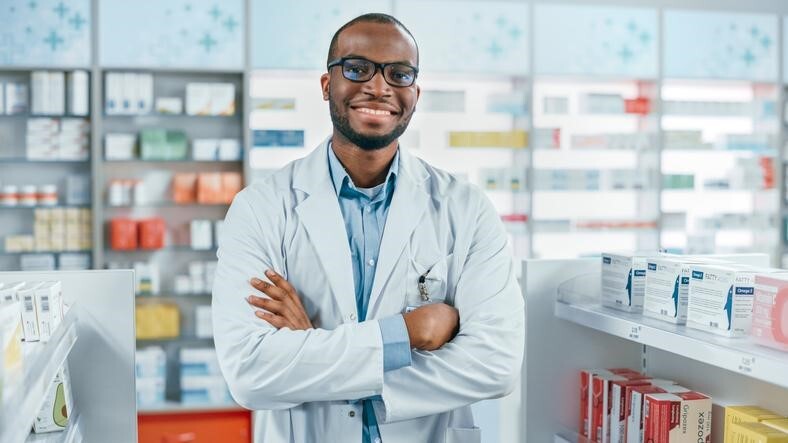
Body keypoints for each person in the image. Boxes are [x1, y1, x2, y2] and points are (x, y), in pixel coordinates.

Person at [212, 13, 524, 443]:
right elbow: (249, 372)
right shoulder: (262, 207)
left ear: (415, 93)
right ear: (327, 85)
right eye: (357, 69)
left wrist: (316, 349)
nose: (379, 87)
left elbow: (496, 365)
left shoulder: (466, 209)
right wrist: (408, 334)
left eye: (399, 74)